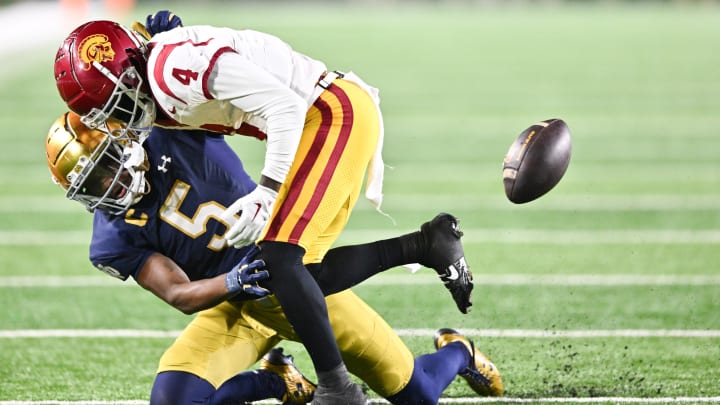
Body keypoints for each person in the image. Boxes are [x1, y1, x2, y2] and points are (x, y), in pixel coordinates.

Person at [52, 14, 476, 403]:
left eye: (104, 168)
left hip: (299, 287)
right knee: (172, 400)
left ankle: (459, 350)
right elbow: (179, 293)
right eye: (93, 184)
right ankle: (278, 380)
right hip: (237, 300)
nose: (109, 184)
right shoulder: (111, 233)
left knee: (417, 394)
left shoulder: (168, 127)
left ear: (118, 139)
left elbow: (211, 82)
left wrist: (167, 46)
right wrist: (233, 281)